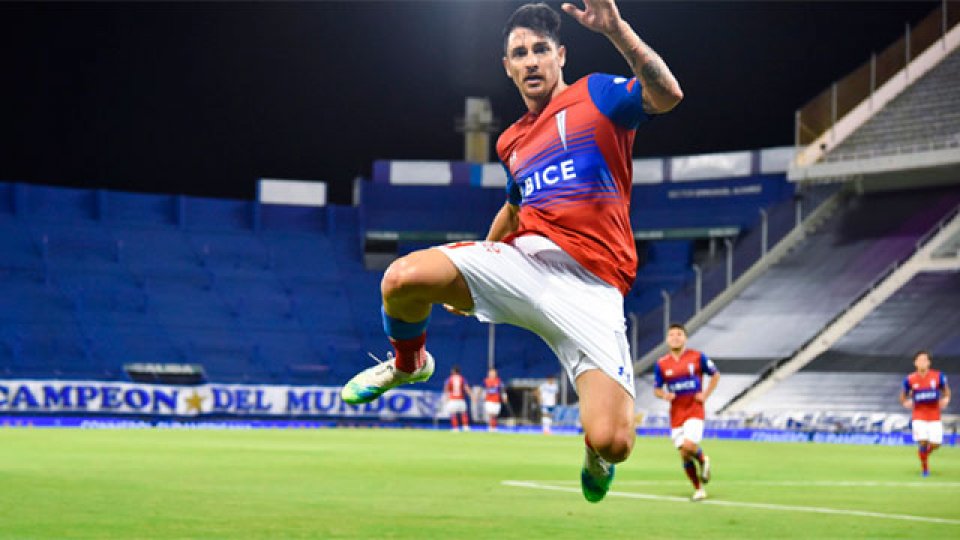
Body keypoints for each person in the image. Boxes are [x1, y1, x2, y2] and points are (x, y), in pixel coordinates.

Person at [342, 0, 683, 503]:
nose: (530, 60)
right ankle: (410, 363)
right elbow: (515, 208)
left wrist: (617, 30)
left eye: (540, 49)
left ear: (560, 55)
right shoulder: (511, 143)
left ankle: (595, 456)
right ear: (507, 66)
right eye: (519, 52)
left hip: (594, 288)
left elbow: (668, 95)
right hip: (525, 263)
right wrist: (478, 267)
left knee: (614, 441)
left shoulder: (598, 95)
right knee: (401, 279)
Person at [653, 323, 719, 501]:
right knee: (683, 453)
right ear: (667, 339)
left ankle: (704, 459)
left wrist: (705, 394)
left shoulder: (697, 357)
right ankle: (699, 489)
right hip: (676, 414)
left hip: (694, 410)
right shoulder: (661, 364)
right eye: (672, 335)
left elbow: (715, 374)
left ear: (685, 338)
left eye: (679, 334)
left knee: (689, 446)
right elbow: (656, 389)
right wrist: (664, 395)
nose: (675, 337)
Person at [899, 350, 951, 477]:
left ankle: (924, 454)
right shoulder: (910, 379)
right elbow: (903, 395)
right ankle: (925, 469)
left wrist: (946, 399)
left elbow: (946, 391)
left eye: (925, 360)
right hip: (919, 415)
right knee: (922, 441)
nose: (922, 362)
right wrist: (905, 402)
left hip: (934, 415)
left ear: (929, 362)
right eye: (920, 360)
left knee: (936, 444)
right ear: (915, 363)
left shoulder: (938, 376)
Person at [443, 365, 472, 431]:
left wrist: (446, 397)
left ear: (453, 371)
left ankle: (455, 428)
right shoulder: (462, 378)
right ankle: (466, 427)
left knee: (453, 413)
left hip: (453, 399)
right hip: (461, 399)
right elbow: (466, 388)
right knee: (463, 413)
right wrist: (472, 396)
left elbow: (446, 389)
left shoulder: (449, 379)